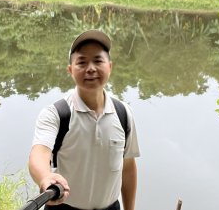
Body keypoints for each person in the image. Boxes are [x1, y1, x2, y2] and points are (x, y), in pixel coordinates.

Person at [28, 29, 140, 210]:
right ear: (70, 70)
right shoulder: (56, 114)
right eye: (82, 62)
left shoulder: (123, 113)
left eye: (98, 60)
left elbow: (127, 167)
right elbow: (39, 154)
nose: (90, 68)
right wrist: (45, 177)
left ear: (110, 66)